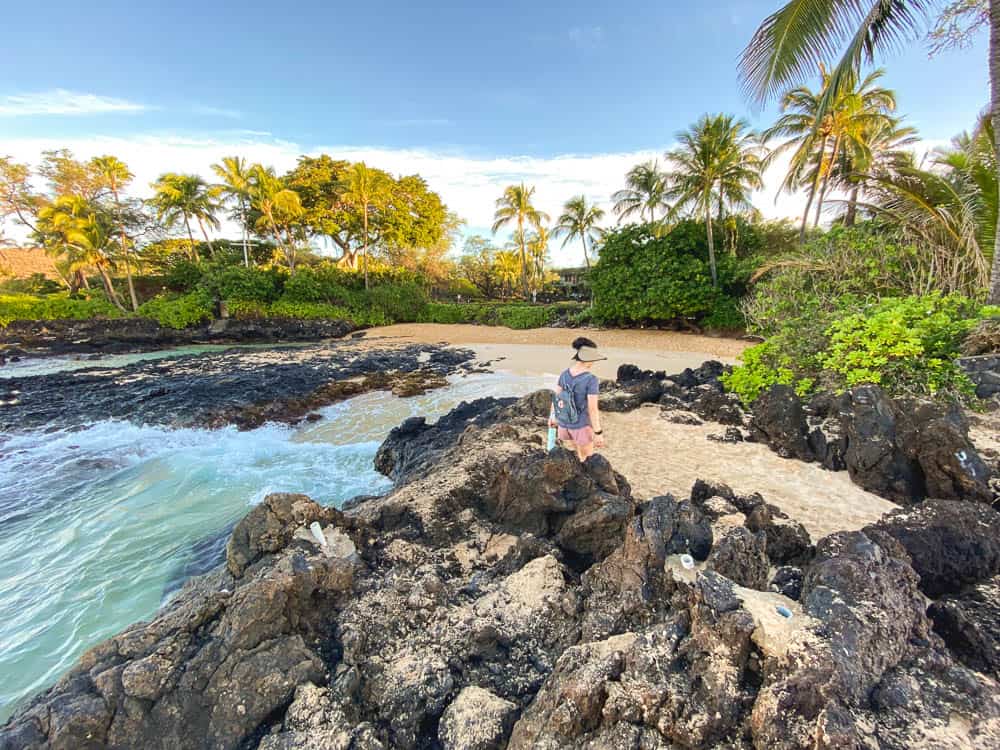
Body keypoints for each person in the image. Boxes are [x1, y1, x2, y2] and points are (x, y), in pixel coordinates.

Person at [549, 336, 607, 461]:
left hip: (564, 426)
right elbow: (592, 409)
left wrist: (553, 417)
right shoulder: (591, 379)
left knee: (574, 458)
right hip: (581, 426)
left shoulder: (564, 374)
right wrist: (598, 433)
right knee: (587, 460)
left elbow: (556, 398)